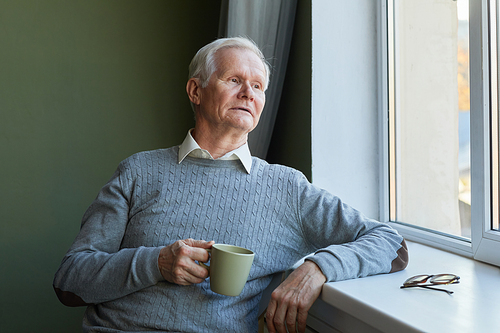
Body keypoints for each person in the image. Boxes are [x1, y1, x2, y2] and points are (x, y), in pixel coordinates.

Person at [53, 36, 408, 333]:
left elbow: (392, 244)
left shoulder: (288, 188)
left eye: (257, 86)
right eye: (234, 80)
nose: (248, 94)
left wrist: (316, 269)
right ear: (196, 90)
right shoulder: (138, 170)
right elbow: (69, 282)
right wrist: (157, 263)